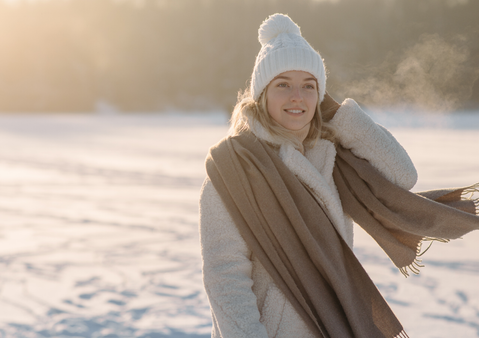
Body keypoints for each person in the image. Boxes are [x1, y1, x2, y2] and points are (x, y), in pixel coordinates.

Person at [199, 13, 478, 338]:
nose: (296, 96)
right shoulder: (234, 166)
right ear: (261, 94)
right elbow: (225, 278)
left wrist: (338, 114)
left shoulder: (330, 157)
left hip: (333, 326)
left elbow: (403, 175)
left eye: (308, 86)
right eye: (283, 85)